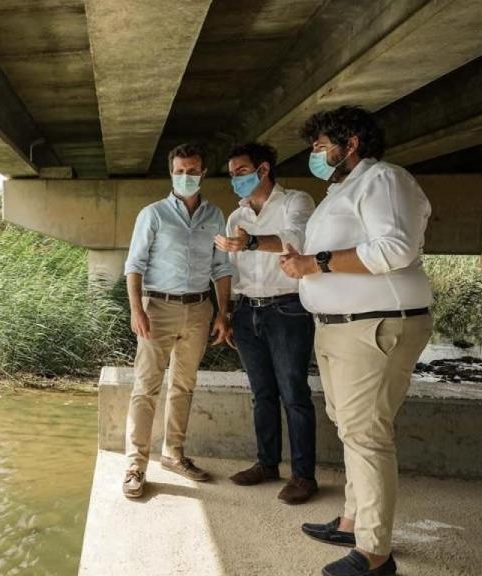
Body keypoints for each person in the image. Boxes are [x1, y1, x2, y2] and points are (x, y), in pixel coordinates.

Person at [279, 106, 433, 576]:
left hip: (374, 323)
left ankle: (374, 553)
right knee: (352, 427)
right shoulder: (342, 190)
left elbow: (395, 248)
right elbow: (342, 252)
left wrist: (316, 263)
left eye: (322, 145)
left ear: (352, 145)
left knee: (366, 434)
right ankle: (353, 521)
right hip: (344, 324)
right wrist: (305, 263)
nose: (315, 154)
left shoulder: (383, 179)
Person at [121, 143, 233, 499]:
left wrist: (222, 312)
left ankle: (173, 454)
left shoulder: (215, 216)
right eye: (180, 170)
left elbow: (221, 268)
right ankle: (135, 466)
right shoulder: (152, 215)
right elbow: (134, 265)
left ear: (203, 173)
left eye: (193, 170)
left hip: (200, 309)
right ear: (172, 173)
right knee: (146, 387)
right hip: (158, 309)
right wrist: (137, 310)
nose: (186, 176)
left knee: (184, 385)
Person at [213, 142, 319, 504]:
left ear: (264, 169)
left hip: (288, 308)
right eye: (231, 174)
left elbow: (298, 241)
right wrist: (224, 313)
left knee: (294, 393)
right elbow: (227, 268)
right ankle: (267, 464)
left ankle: (304, 476)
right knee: (262, 394)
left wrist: (253, 241)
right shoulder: (236, 216)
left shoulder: (296, 202)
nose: (235, 179)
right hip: (246, 311)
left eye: (241, 171)